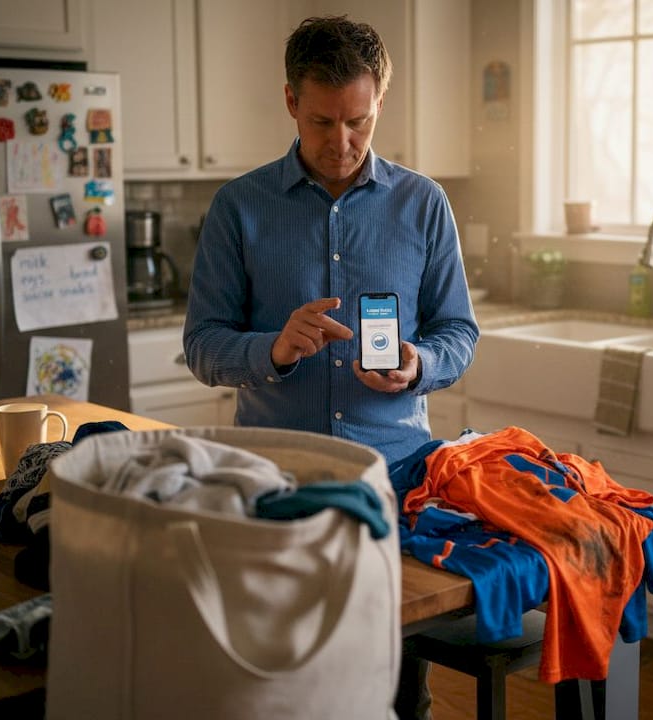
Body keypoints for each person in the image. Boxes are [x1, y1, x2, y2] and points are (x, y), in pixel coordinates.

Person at [182, 15, 479, 720]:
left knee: (398, 690)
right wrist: (273, 350)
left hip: (393, 485)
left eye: (359, 121)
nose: (342, 142)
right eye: (322, 121)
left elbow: (460, 332)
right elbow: (202, 344)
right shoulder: (238, 207)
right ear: (291, 101)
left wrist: (419, 363)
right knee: (283, 689)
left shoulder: (425, 204)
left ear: (380, 104)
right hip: (278, 485)